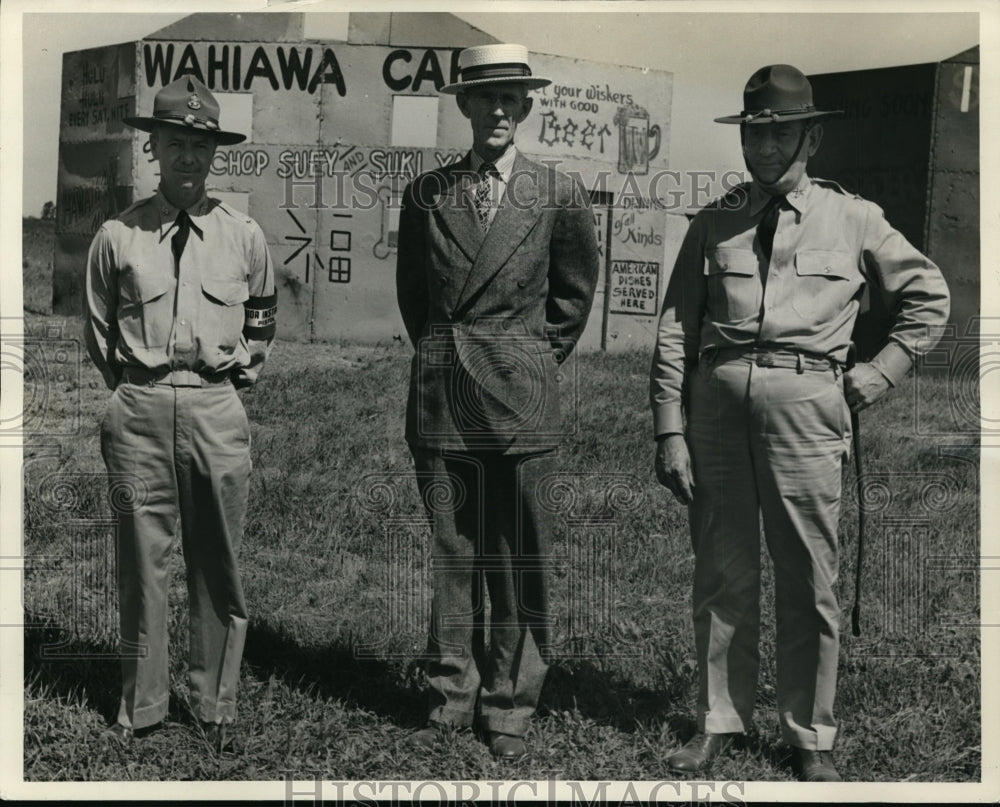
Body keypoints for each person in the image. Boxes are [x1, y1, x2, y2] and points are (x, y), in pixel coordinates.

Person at [649, 64, 949, 781]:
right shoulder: (714, 221)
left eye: (780, 131)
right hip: (717, 410)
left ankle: (811, 734)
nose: (764, 145)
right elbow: (673, 330)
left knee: (809, 574)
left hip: (809, 410)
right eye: (755, 131)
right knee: (721, 571)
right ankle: (719, 718)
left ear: (811, 135)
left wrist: (879, 373)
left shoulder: (855, 219)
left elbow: (929, 299)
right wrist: (669, 425)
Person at [395, 43, 600, 760]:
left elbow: (572, 296)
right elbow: (415, 299)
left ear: (528, 106)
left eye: (512, 98)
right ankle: (452, 689)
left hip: (521, 393)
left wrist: (528, 357)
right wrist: (450, 352)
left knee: (518, 554)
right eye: (486, 98)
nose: (499, 110)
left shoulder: (556, 192)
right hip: (443, 388)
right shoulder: (428, 192)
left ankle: (509, 701)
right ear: (464, 107)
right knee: (454, 549)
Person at [84, 76, 276, 752]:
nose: (189, 156)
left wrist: (227, 380)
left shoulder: (244, 237)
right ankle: (144, 705)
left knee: (217, 563)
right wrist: (138, 386)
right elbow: (99, 328)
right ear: (153, 149)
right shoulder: (118, 235)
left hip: (215, 405)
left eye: (201, 144)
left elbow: (261, 319)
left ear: (213, 152)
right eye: (176, 143)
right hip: (138, 404)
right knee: (142, 560)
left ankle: (216, 702)